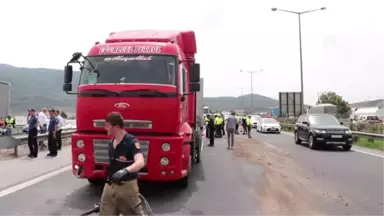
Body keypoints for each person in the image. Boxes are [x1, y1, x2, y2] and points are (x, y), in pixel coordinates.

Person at [100, 112, 146, 216]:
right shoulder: (111, 143)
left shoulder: (131, 142)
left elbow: (140, 162)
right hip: (110, 185)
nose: (105, 129)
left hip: (127, 187)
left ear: (116, 127)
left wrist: (125, 170)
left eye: (107, 126)